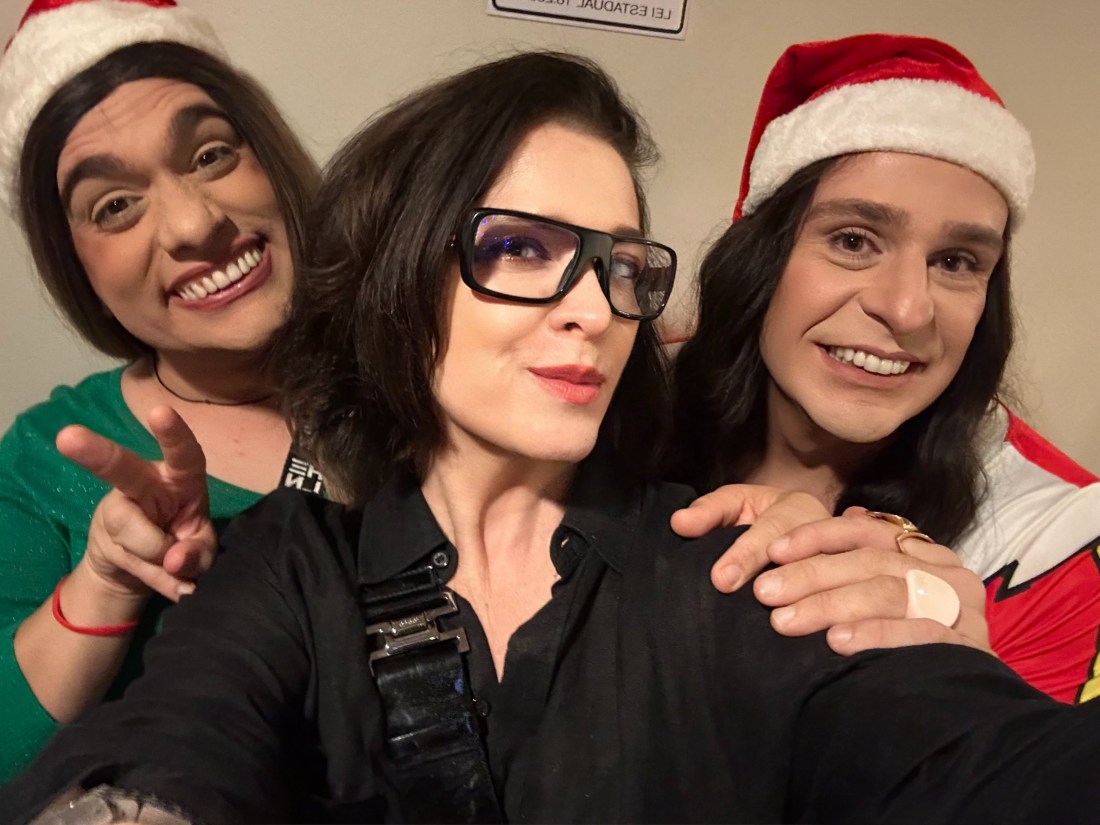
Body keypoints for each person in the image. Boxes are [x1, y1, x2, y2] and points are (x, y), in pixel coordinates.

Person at [6, 49, 1100, 825]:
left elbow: (976, 758)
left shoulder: (731, 565)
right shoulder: (291, 564)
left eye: (620, 265)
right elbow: (176, 738)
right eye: (520, 248)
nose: (593, 308)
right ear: (400, 273)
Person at [672, 33, 1100, 703]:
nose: (906, 309)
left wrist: (966, 687)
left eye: (956, 262)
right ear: (759, 258)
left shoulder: (1058, 542)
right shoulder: (619, 411)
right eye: (853, 240)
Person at [0, 0, 320, 781]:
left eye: (210, 154)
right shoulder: (43, 457)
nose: (191, 225)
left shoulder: (436, 367)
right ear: (75, 266)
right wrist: (105, 582)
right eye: (114, 206)